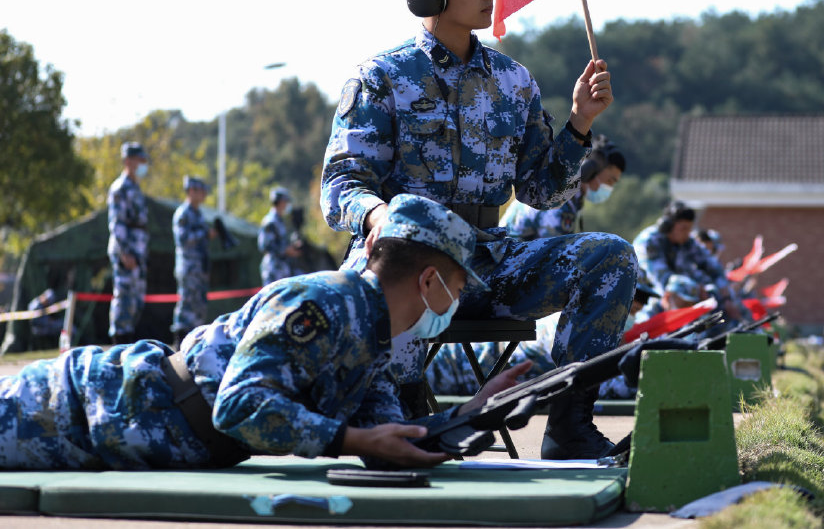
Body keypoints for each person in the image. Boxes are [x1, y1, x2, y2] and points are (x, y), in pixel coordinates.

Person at [320, 0, 638, 460]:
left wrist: (580, 122)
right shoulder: (382, 77)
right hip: (409, 262)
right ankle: (403, 416)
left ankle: (570, 426)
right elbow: (340, 186)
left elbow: (542, 190)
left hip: (491, 259)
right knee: (369, 294)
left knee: (611, 257)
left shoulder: (513, 82)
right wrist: (378, 218)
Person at [0, 195, 529, 471]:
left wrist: (469, 412)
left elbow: (385, 441)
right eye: (459, 287)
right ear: (430, 280)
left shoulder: (372, 340)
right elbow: (238, 406)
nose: (456, 302)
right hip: (89, 405)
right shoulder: (323, 304)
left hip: (143, 432)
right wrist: (347, 439)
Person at [501, 134, 626, 240]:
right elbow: (551, 253)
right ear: (590, 170)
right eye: (610, 181)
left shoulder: (569, 198)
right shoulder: (558, 197)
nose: (610, 188)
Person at [107, 141, 149, 344]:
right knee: (124, 300)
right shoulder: (120, 188)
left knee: (136, 301)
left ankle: (127, 341)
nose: (142, 164)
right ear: (128, 161)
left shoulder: (136, 188)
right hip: (127, 252)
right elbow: (117, 223)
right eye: (138, 160)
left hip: (138, 251)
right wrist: (124, 252)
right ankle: (119, 345)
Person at [171, 176, 217, 347]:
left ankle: (194, 344)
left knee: (198, 307)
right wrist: (204, 234)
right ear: (191, 191)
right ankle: (179, 344)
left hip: (200, 268)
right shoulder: (183, 214)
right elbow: (183, 239)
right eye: (201, 191)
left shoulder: (198, 214)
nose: (204, 195)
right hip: (189, 267)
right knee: (186, 305)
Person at [258, 186, 301, 286]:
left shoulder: (280, 221)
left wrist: (293, 246)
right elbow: (265, 246)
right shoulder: (270, 221)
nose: (286, 204)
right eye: (285, 201)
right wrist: (285, 250)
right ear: (280, 202)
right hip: (273, 270)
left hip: (283, 268)